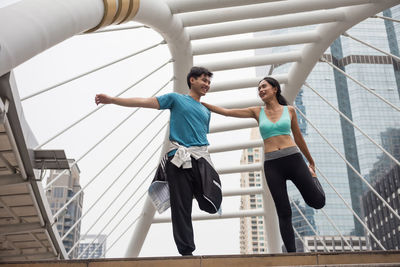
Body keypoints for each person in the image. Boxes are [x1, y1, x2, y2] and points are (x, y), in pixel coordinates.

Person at [95, 66, 222, 256]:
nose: (207, 85)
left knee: (211, 200)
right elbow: (145, 101)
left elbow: (201, 136)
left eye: (209, 82)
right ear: (192, 80)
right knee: (181, 205)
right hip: (178, 159)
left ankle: (203, 201)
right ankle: (186, 251)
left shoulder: (206, 111)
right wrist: (113, 100)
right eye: (204, 80)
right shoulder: (176, 99)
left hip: (201, 159)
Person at [201, 76, 325, 253]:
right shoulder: (256, 112)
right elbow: (227, 112)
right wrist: (200, 102)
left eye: (264, 86)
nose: (260, 90)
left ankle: (313, 178)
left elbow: (298, 137)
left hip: (294, 159)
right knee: (283, 211)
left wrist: (310, 161)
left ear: (275, 89)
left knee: (317, 202)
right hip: (273, 165)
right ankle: (292, 256)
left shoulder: (289, 110)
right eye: (258, 88)